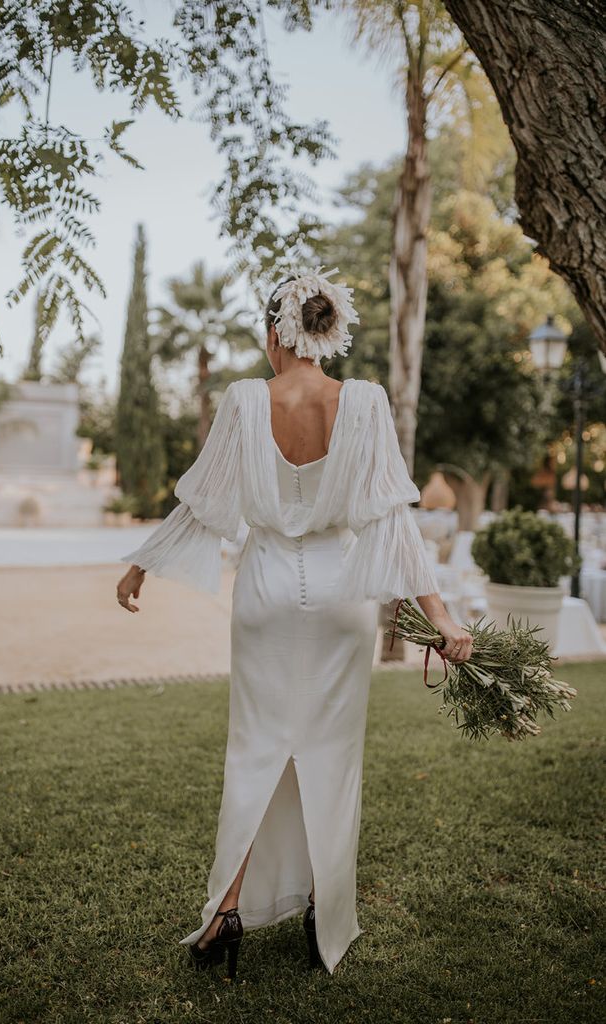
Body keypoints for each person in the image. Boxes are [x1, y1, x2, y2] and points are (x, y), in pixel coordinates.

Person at [116, 267, 473, 979]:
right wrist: (442, 616)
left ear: (273, 332)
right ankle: (322, 914)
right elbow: (390, 522)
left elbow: (202, 500)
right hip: (341, 600)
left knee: (255, 753)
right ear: (327, 330)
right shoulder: (365, 403)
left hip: (264, 592)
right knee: (331, 762)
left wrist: (140, 564)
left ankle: (225, 915)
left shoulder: (246, 399)